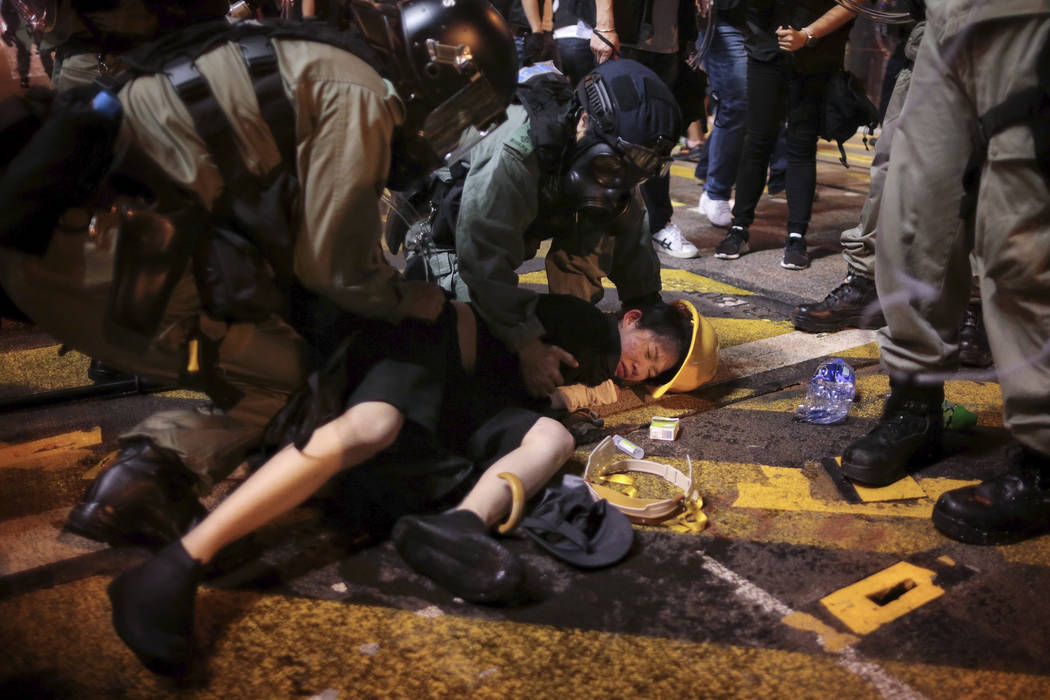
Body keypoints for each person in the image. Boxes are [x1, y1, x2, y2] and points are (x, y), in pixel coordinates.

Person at [0, 0, 519, 548]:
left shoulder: (324, 57)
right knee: (291, 375)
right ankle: (142, 485)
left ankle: (146, 479)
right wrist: (410, 300)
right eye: (460, 109)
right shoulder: (364, 92)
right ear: (437, 68)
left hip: (83, 234)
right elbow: (334, 270)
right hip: (97, 260)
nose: (449, 126)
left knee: (263, 337)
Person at [105, 293, 713, 674]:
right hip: (428, 345)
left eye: (655, 374)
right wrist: (551, 364)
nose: (643, 369)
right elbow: (517, 329)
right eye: (652, 352)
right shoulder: (581, 319)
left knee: (552, 442)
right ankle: (177, 565)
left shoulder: (603, 369)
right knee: (376, 422)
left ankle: (460, 525)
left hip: (470, 401)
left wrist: (566, 396)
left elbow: (548, 398)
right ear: (631, 317)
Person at [839, 0, 1050, 545]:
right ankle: (915, 408)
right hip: (945, 21)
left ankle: (1043, 457)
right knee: (913, 214)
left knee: (1022, 235)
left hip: (1029, 19)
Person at [404, 58, 682, 399]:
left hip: (497, 230)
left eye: (632, 174)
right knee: (466, 346)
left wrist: (646, 305)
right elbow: (482, 258)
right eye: (612, 166)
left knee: (584, 331)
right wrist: (528, 343)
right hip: (445, 235)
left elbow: (630, 234)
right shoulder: (518, 151)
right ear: (583, 122)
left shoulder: (612, 162)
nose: (618, 183)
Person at [713, 0, 857, 270]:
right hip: (766, 49)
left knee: (802, 146)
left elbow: (853, 3)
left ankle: (797, 237)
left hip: (816, 56)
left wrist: (809, 34)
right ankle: (739, 229)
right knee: (757, 141)